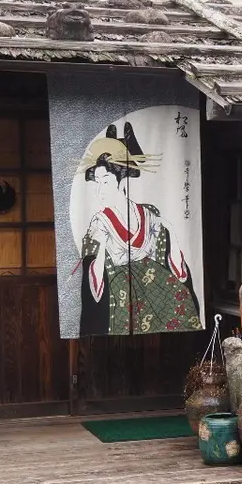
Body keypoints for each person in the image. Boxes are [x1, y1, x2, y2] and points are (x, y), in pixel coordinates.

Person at [77, 130, 201, 336]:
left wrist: (170, 230)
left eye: (105, 181)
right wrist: (99, 249)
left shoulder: (147, 212)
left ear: (122, 181)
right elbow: (94, 265)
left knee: (180, 298)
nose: (100, 189)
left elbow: (165, 243)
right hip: (117, 281)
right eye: (97, 182)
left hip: (151, 276)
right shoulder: (99, 221)